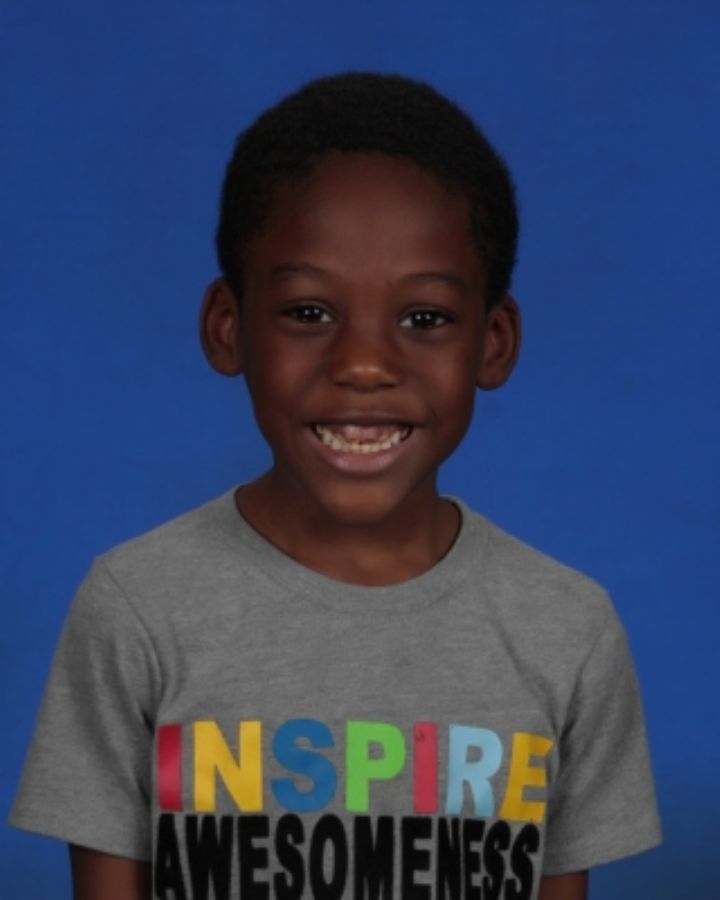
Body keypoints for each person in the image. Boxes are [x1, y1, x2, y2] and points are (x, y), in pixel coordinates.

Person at [10, 72, 661, 900]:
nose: (363, 364)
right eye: (309, 312)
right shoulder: (137, 608)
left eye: (424, 318)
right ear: (227, 327)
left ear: (494, 342)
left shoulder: (566, 630)